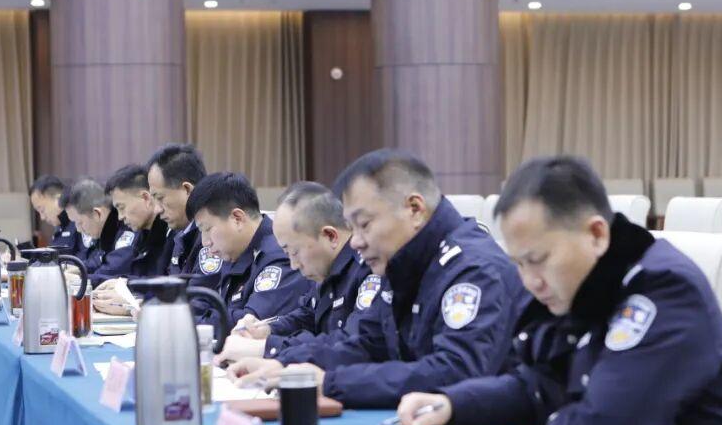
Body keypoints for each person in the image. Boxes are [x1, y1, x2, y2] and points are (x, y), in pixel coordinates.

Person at [395, 156, 722, 425]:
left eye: (539, 260)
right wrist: (453, 404)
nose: (530, 281)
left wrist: (552, 420)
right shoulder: (575, 289)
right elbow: (535, 385)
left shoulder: (662, 290)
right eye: (519, 264)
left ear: (597, 234)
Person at [229, 149, 529, 409]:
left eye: (364, 225)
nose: (356, 242)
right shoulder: (403, 262)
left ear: (414, 209)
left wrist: (331, 382)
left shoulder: (472, 268)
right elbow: (363, 341)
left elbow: (455, 371)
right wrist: (284, 364)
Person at [214, 181, 378, 364]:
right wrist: (267, 329)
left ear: (330, 236)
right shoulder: (326, 267)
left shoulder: (370, 269)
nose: (293, 265)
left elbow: (352, 344)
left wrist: (266, 348)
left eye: (294, 252)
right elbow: (307, 315)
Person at [186, 172, 311, 341]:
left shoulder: (281, 255)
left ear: (237, 218)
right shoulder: (232, 250)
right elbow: (199, 301)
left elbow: (249, 326)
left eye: (207, 229)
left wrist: (187, 321)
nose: (205, 242)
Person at [145, 143, 223, 307]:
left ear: (187, 189)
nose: (157, 209)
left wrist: (145, 306)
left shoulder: (213, 235)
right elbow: (163, 285)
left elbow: (200, 304)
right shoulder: (178, 231)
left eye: (160, 198)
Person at [92, 165, 172, 314]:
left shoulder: (171, 233)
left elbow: (170, 290)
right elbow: (143, 277)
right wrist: (123, 284)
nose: (120, 217)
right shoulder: (143, 234)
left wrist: (132, 301)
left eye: (122, 207)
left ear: (145, 198)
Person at [65, 177, 136, 286]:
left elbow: (110, 271)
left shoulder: (127, 227)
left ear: (97, 214)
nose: (78, 230)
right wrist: (79, 268)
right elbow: (99, 259)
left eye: (79, 222)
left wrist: (77, 279)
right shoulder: (105, 229)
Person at [28, 174, 82, 256]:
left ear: (58, 199)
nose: (42, 217)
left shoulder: (81, 222)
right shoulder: (60, 225)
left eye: (42, 210)